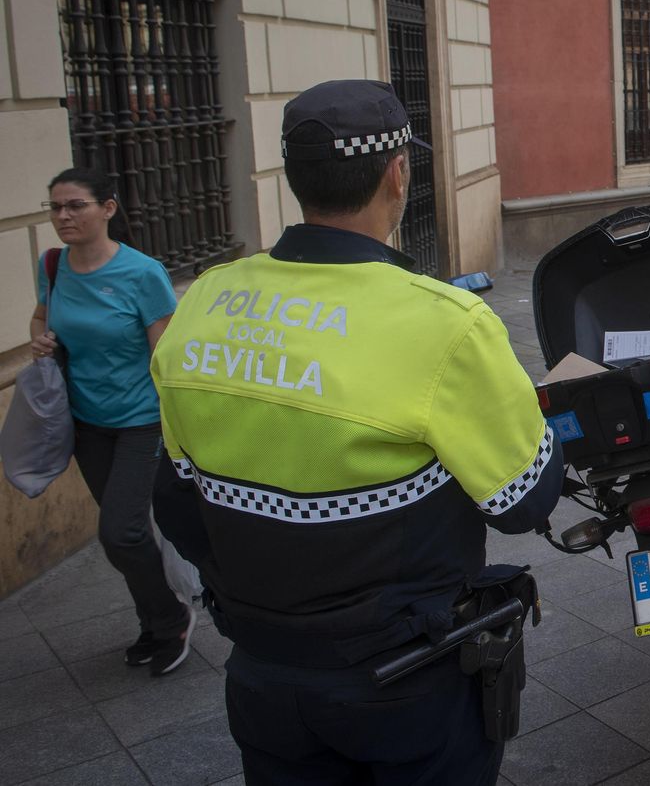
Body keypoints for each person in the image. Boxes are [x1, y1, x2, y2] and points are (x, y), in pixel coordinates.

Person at [150, 80, 564, 784]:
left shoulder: (205, 301)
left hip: (263, 679)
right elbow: (524, 503)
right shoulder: (444, 322)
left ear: (293, 175)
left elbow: (175, 502)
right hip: (410, 683)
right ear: (398, 172)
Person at [27, 168, 194, 677]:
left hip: (140, 422)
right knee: (127, 534)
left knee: (119, 534)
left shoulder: (142, 273)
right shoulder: (53, 265)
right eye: (56, 207)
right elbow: (41, 317)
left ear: (108, 208)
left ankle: (170, 619)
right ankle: (154, 620)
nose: (63, 217)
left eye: (75, 205)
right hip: (85, 423)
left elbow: (164, 356)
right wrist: (39, 338)